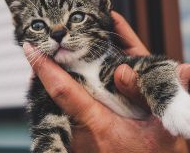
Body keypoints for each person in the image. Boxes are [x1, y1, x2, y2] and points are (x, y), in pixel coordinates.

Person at [23, 11, 190, 153]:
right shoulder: (45, 90)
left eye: (75, 17)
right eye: (38, 26)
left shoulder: (113, 67)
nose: (58, 32)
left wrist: (168, 98)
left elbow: (154, 67)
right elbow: (46, 137)